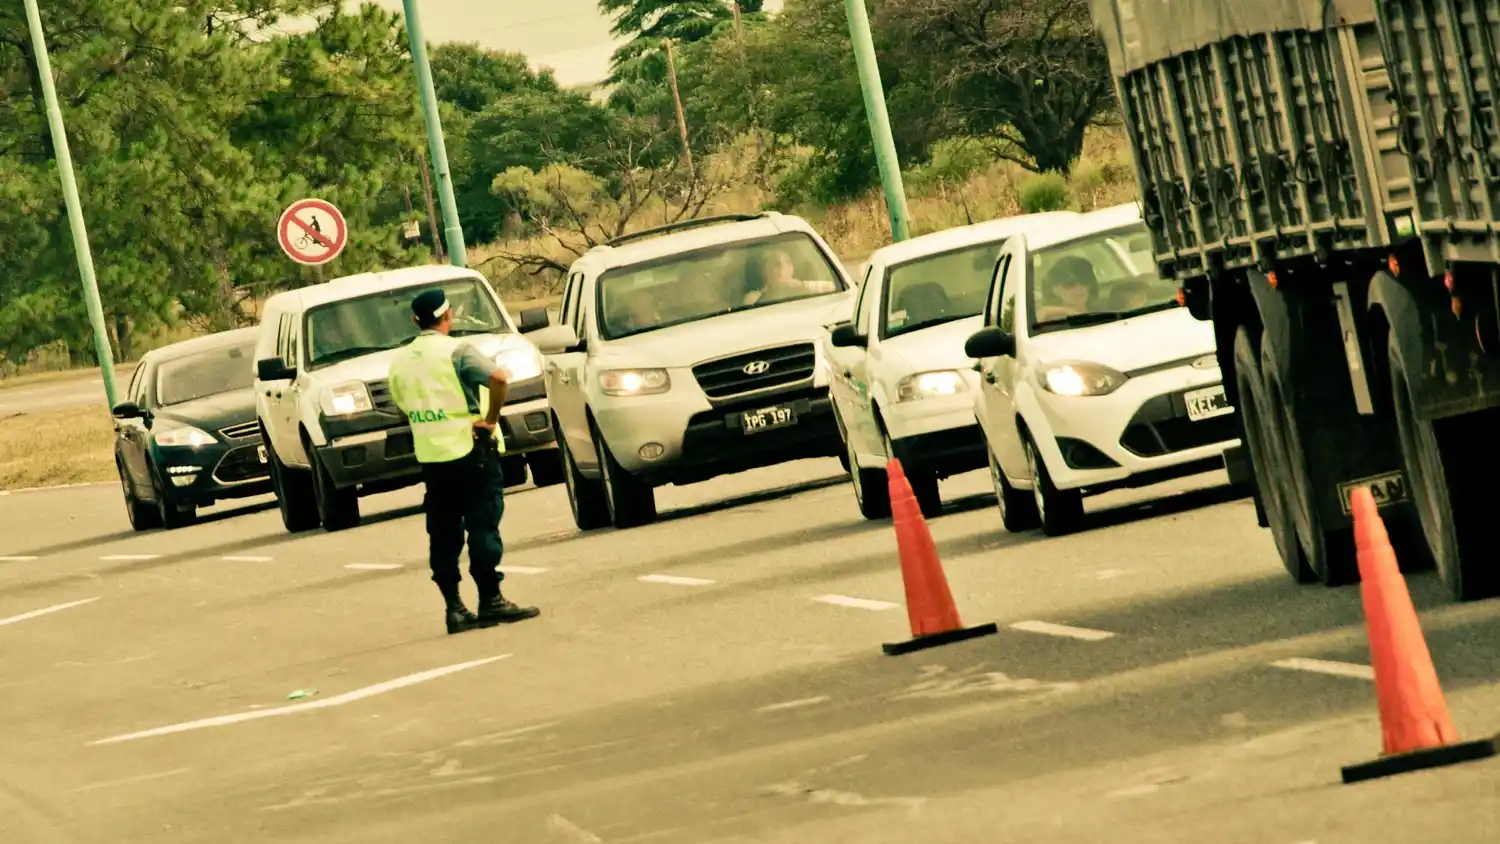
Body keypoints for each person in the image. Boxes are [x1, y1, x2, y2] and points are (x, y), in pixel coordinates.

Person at [386, 288, 541, 635]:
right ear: (448, 315)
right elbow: (498, 378)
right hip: (471, 451)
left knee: (443, 533)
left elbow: (402, 407)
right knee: (483, 525)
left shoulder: (400, 362)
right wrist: (490, 419)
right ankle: (491, 599)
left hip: (432, 458)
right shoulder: (457, 351)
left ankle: (454, 608)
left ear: (415, 321)